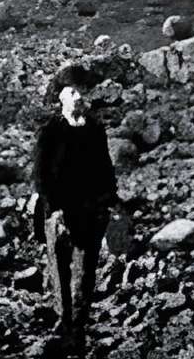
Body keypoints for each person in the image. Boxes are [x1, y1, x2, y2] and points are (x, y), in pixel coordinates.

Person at [27, 82, 117, 349]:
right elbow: (40, 174)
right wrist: (54, 208)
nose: (79, 97)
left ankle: (79, 322)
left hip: (90, 210)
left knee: (86, 268)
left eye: (80, 92)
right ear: (61, 100)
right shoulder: (51, 131)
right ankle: (64, 318)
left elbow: (105, 167)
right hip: (59, 211)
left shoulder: (95, 130)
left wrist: (109, 200)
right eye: (72, 93)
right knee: (60, 268)